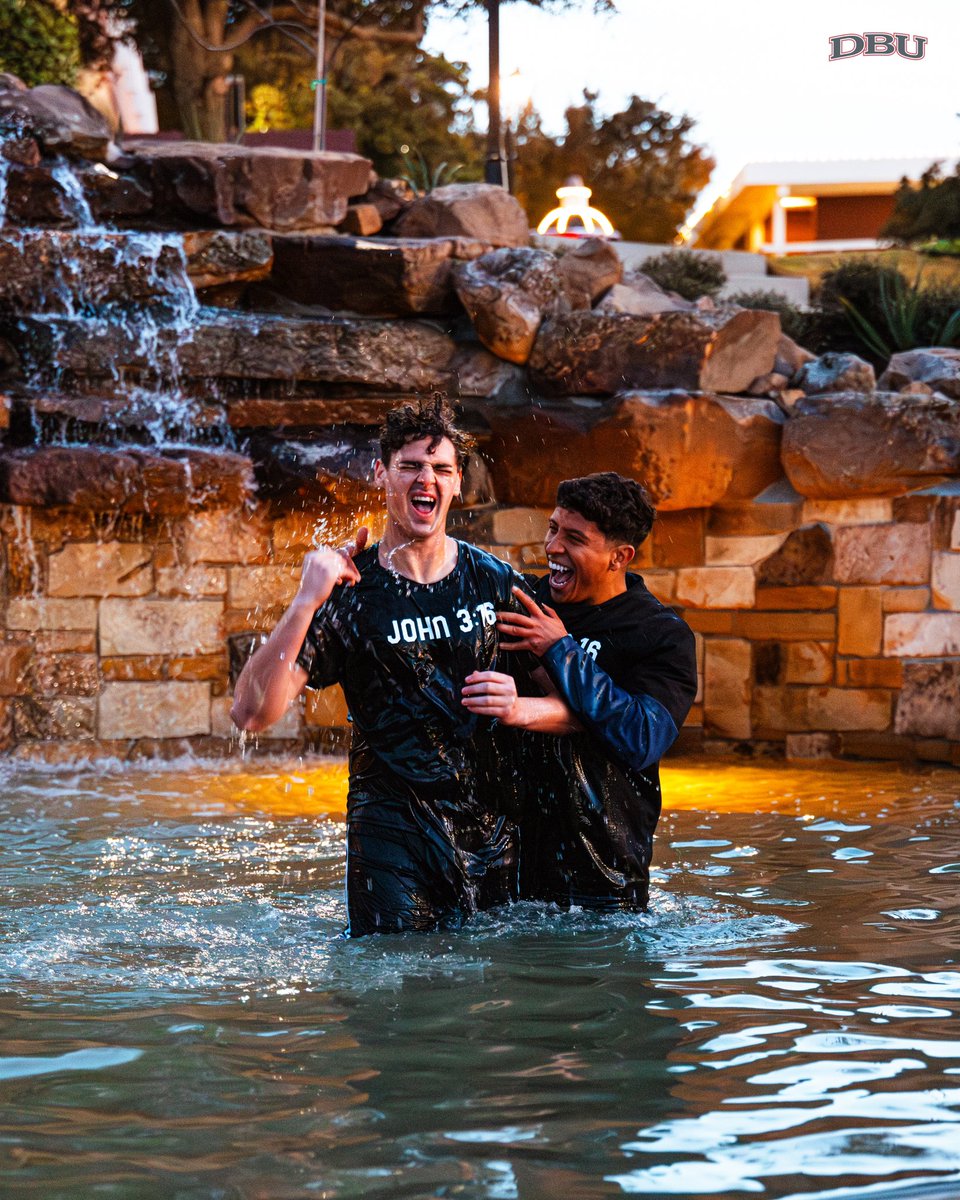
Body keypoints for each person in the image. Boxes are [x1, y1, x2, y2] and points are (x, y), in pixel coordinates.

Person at [231, 396, 538, 937]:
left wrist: (524, 706)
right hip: (390, 845)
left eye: (441, 468)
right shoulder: (351, 591)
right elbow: (252, 713)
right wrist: (306, 600)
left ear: (459, 482)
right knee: (400, 1004)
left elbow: (574, 698)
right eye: (411, 466)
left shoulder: (495, 584)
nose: (428, 479)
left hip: (491, 836)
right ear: (381, 474)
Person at [461, 472, 697, 911]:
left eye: (574, 538)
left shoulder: (661, 635)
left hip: (604, 884)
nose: (551, 548)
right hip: (502, 876)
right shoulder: (522, 603)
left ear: (619, 556)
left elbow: (641, 737)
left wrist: (559, 650)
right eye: (552, 529)